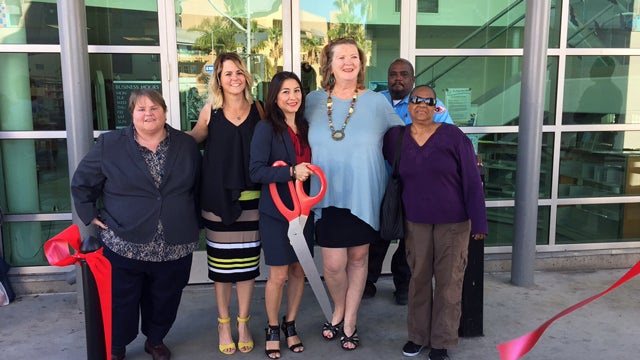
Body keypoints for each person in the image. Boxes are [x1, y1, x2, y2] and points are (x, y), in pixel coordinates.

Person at [71, 88, 201, 360]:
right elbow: (83, 182)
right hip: (124, 242)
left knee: (166, 299)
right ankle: (116, 346)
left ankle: (155, 340)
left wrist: (195, 220)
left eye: (154, 108)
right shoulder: (110, 144)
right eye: (141, 109)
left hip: (175, 244)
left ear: (165, 111)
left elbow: (198, 187)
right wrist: (89, 214)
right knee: (121, 301)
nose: (148, 114)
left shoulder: (186, 145)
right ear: (131, 114)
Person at [305, 37, 404, 351]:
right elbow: (283, 126)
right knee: (333, 265)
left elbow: (406, 137)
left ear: (361, 64)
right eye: (341, 57)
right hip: (325, 193)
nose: (348, 62)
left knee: (359, 260)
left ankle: (349, 320)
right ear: (329, 64)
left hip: (364, 194)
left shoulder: (376, 102)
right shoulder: (312, 101)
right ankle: (338, 307)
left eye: (354, 57)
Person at [383, 85, 487, 360]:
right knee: (417, 280)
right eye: (415, 100)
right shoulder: (395, 137)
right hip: (415, 222)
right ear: (408, 106)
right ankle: (417, 337)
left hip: (453, 223)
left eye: (428, 102)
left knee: (449, 282)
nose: (421, 105)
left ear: (436, 107)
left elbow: (472, 181)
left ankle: (441, 341)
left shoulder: (453, 137)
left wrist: (479, 223)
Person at [188, 52, 262, 355]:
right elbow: (193, 139)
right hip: (217, 201)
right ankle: (223, 323)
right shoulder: (210, 111)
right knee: (221, 269)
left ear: (246, 76)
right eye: (227, 73)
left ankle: (243, 322)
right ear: (218, 79)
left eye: (239, 72)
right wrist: (162, 138)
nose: (234, 78)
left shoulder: (259, 109)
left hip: (253, 201)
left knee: (246, 268)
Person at [365, 58, 455, 305]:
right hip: (379, 181)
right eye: (393, 74)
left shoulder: (425, 103)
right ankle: (368, 281)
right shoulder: (375, 101)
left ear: (413, 79)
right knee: (377, 235)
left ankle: (403, 286)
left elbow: (449, 137)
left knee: (410, 238)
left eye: (404, 74)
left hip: (415, 185)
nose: (398, 78)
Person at [249, 71, 313, 359]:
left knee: (299, 271)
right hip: (276, 213)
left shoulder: (306, 126)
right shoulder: (266, 128)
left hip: (304, 212)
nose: (292, 97)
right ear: (275, 96)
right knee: (278, 274)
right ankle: (272, 328)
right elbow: (256, 171)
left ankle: (290, 324)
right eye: (285, 91)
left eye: (297, 90)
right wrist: (290, 171)